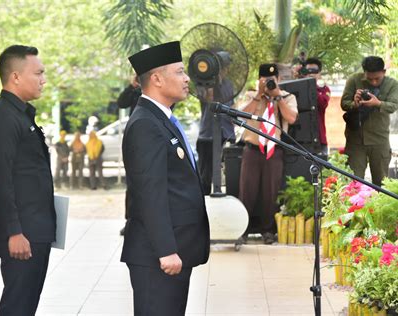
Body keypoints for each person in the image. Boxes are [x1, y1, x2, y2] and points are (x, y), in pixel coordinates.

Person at [121, 41, 210, 315]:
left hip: (174, 249)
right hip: (157, 255)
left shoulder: (162, 119)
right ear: (157, 79)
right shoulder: (145, 125)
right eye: (181, 72)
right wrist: (165, 250)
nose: (187, 79)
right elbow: (151, 194)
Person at [0, 45, 56, 316]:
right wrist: (14, 231)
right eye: (38, 73)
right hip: (22, 232)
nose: (43, 80)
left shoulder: (21, 113)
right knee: (17, 306)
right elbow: (2, 179)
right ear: (15, 76)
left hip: (34, 228)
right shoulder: (3, 116)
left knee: (26, 304)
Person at [238, 63, 298, 244]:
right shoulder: (250, 95)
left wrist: (277, 97)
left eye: (273, 79)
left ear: (279, 79)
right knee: (247, 191)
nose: (270, 82)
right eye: (265, 79)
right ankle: (242, 230)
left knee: (271, 193)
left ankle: (267, 230)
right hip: (252, 150)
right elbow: (241, 115)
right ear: (259, 80)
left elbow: (292, 118)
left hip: (274, 150)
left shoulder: (287, 97)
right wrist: (258, 96)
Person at [341, 56, 398, 186]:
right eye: (369, 78)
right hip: (355, 140)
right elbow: (344, 104)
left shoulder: (393, 84)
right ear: (364, 72)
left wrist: (378, 103)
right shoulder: (354, 80)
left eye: (377, 79)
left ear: (384, 72)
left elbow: (393, 106)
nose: (373, 82)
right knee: (354, 183)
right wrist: (354, 104)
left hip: (379, 140)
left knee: (382, 184)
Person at [196, 58, 235, 195]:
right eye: (222, 68)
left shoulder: (229, 84)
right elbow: (209, 99)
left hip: (227, 132)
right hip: (208, 135)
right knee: (205, 176)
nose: (225, 71)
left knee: (231, 172)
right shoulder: (202, 83)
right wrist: (213, 83)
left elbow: (231, 104)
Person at [294, 57, 331, 154]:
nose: (311, 74)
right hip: (299, 139)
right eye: (308, 71)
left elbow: (322, 104)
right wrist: (298, 80)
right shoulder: (296, 88)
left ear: (319, 73)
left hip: (319, 139)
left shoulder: (323, 89)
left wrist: (311, 84)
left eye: (314, 71)